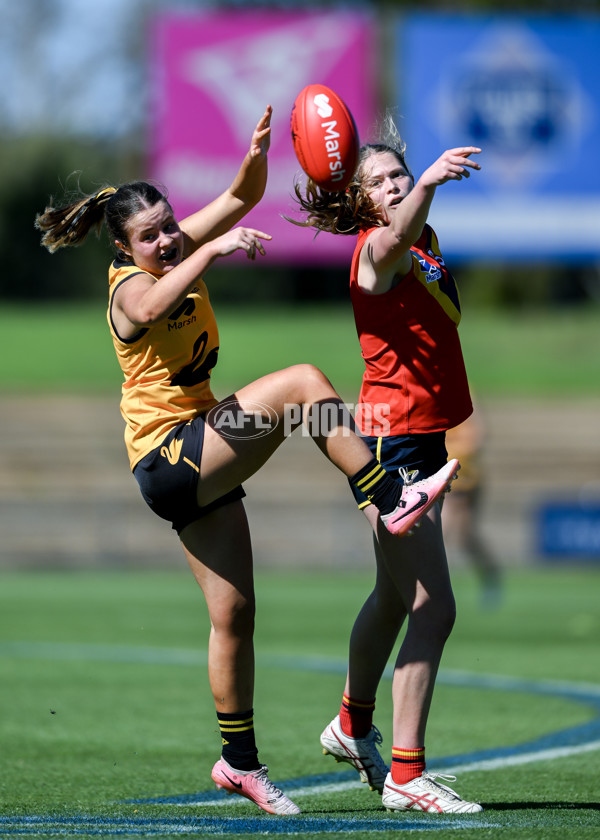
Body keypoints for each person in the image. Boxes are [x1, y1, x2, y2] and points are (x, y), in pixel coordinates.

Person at [35, 106, 458, 817]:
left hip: (200, 449)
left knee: (234, 617)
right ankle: (387, 496)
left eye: (171, 224)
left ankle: (239, 763)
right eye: (151, 234)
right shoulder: (129, 287)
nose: (168, 238)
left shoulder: (171, 248)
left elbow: (238, 198)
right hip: (171, 456)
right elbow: (158, 298)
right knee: (302, 383)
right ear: (121, 246)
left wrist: (258, 155)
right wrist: (209, 249)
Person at [289, 114, 484, 814]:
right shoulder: (379, 247)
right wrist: (428, 182)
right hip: (394, 444)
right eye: (380, 182)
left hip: (411, 435)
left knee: (396, 597)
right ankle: (405, 776)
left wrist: (420, 189)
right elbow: (394, 240)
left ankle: (350, 722)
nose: (396, 186)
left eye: (400, 174)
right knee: (435, 608)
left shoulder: (420, 238)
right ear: (362, 204)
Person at [443, 407, 502, 606]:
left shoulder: (467, 397)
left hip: (463, 479)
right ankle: (431, 590)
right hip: (442, 479)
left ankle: (490, 574)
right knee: (450, 535)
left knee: (462, 538)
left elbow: (475, 438)